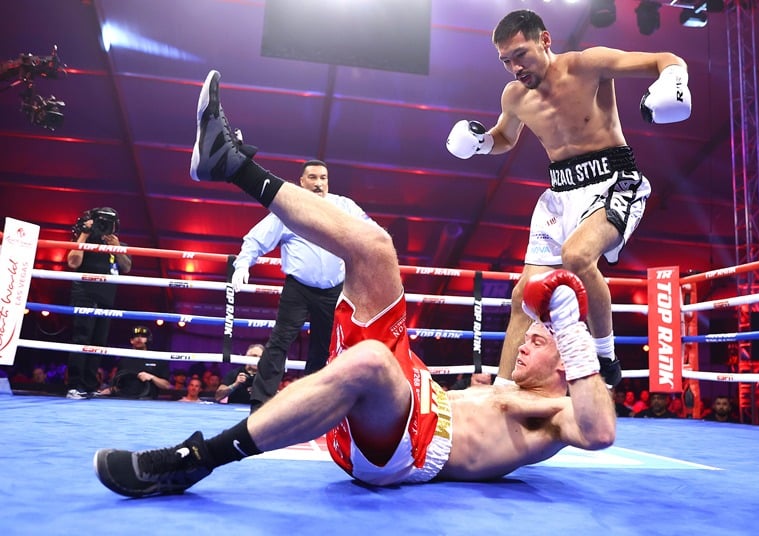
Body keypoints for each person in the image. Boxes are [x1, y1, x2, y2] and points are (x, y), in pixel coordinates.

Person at [92, 69, 616, 498]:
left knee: (367, 363)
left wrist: (573, 329)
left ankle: (195, 459)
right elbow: (521, 310)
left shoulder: (555, 414)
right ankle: (227, 163)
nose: (526, 342)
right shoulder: (507, 388)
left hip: (407, 448)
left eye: (540, 342)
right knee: (374, 246)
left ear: (567, 364)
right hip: (413, 391)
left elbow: (599, 432)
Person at [446, 10, 692, 389]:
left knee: (577, 257)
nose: (514, 67)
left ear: (545, 40)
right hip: (559, 196)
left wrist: (674, 79)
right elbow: (505, 137)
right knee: (522, 297)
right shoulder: (514, 95)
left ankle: (606, 356)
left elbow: (665, 60)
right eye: (506, 60)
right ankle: (503, 392)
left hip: (613, 181)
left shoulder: (587, 65)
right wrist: (481, 143)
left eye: (520, 54)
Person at [230, 159, 373, 413]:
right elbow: (256, 239)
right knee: (280, 341)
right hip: (298, 287)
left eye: (323, 178)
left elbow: (372, 233)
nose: (319, 183)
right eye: (313, 178)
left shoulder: (344, 206)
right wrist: (242, 265)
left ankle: (313, 405)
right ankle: (260, 403)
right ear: (302, 181)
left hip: (334, 290)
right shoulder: (289, 208)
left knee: (325, 347)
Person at [65, 207, 132, 399]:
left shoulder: (118, 244)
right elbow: (73, 263)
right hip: (84, 295)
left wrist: (116, 246)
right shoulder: (83, 240)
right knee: (81, 339)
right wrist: (84, 235)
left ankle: (89, 385)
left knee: (99, 343)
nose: (104, 227)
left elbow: (126, 267)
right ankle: (75, 385)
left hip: (106, 299)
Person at [97, 326, 172, 399]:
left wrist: (152, 377)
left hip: (147, 399)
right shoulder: (123, 359)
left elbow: (166, 385)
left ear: (148, 339)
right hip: (124, 398)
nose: (139, 339)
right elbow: (118, 384)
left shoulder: (157, 359)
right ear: (131, 340)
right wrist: (109, 390)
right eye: (136, 336)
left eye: (143, 336)